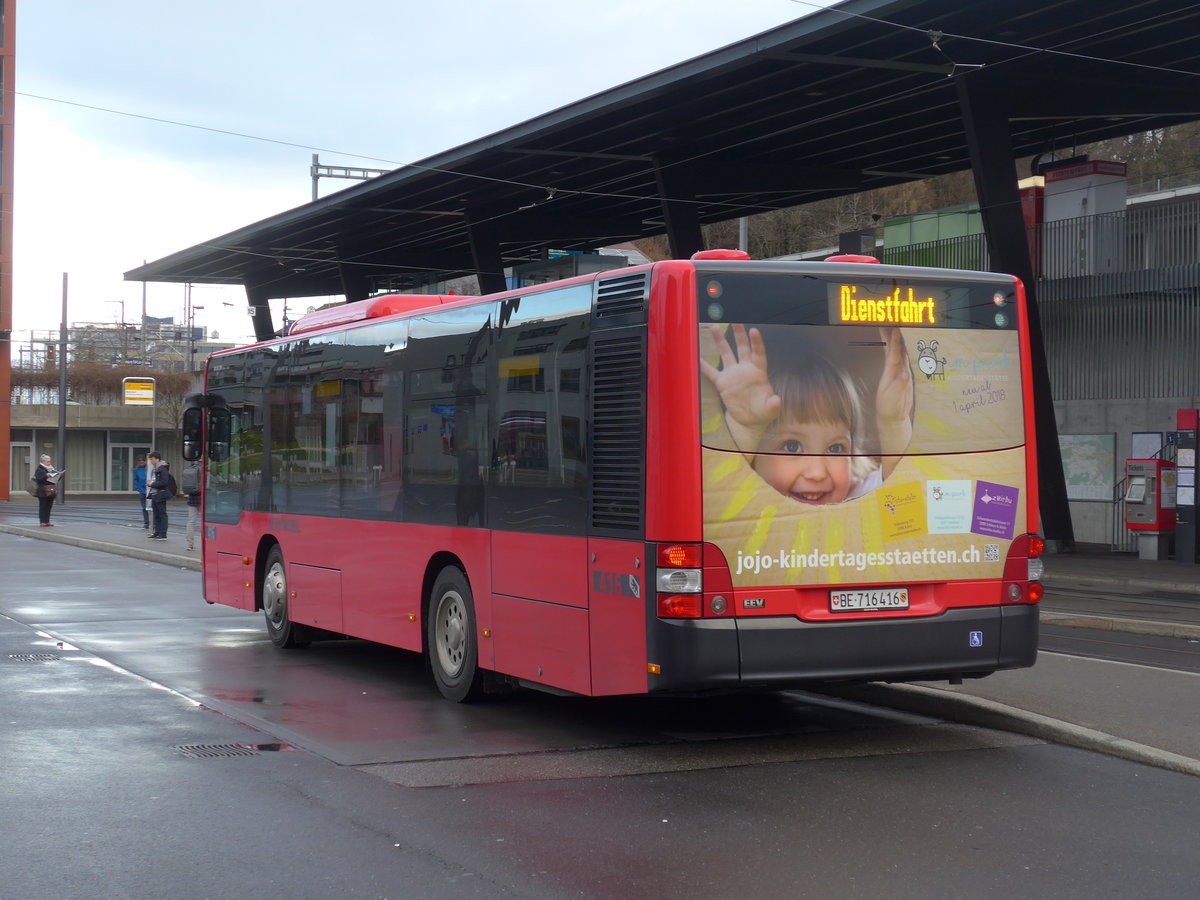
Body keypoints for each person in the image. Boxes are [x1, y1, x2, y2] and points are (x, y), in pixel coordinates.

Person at [701, 323, 913, 505]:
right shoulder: (744, 502)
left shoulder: (856, 495)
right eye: (792, 446)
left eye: (835, 448)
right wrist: (744, 429)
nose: (817, 473)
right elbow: (718, 488)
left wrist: (893, 424)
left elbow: (899, 484)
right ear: (752, 455)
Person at [146, 452, 176, 541]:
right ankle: (157, 532)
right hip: (155, 494)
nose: (151, 461)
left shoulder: (162, 469)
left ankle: (163, 534)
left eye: (152, 459)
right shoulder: (156, 469)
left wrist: (152, 484)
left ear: (157, 459)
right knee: (156, 514)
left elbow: (164, 482)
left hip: (160, 494)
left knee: (162, 514)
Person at [33, 454, 60, 527]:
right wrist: (46, 475)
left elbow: (55, 479)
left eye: (49, 461)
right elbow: (39, 479)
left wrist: (58, 475)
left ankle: (47, 521)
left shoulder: (51, 469)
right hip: (43, 490)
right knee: (43, 506)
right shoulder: (40, 469)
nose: (49, 463)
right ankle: (42, 521)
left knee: (49, 506)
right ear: (43, 461)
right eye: (47, 462)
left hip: (51, 489)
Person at [182, 461, 201, 551]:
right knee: (205, 522)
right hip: (203, 498)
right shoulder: (206, 468)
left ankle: (189, 544)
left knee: (191, 522)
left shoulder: (191, 467)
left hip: (192, 498)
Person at [134, 454, 150, 530]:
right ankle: (146, 523)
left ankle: (154, 523)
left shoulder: (149, 468)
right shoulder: (137, 469)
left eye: (142, 460)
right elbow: (135, 479)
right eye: (139, 461)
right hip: (142, 491)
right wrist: (137, 487)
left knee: (152, 507)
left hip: (150, 490)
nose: (141, 462)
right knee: (144, 508)